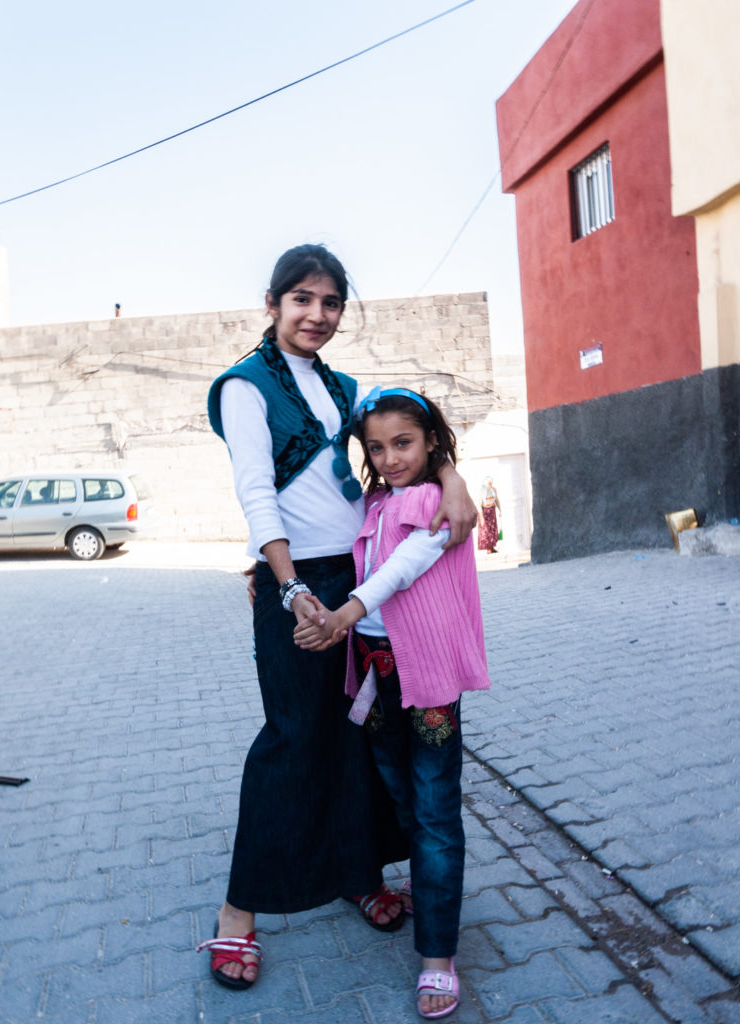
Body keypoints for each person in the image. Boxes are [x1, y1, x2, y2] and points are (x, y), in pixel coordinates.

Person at [199, 244, 477, 991]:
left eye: (330, 304)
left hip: (362, 574)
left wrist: (451, 477)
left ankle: (358, 874)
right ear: (273, 303)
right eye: (302, 300)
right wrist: (287, 586)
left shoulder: (344, 386)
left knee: (355, 735)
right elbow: (257, 492)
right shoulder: (245, 387)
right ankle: (237, 915)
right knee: (292, 739)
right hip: (300, 580)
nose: (316, 316)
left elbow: (410, 431)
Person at [294, 387, 491, 1019]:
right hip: (378, 676)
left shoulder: (436, 500)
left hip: (426, 677)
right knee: (399, 791)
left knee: (434, 810)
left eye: (403, 443)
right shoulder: (376, 501)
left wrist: (346, 612)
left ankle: (437, 956)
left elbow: (404, 567)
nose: (388, 458)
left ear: (431, 440)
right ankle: (435, 885)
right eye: (376, 448)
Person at [478, 475, 501, 553]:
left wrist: (500, 509)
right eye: (489, 483)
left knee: (493, 528)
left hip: (492, 510)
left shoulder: (493, 490)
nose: (491, 484)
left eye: (491, 482)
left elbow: (496, 500)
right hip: (485, 511)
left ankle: (492, 547)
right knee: (486, 530)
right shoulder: (482, 491)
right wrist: (481, 516)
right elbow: (479, 504)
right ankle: (488, 548)